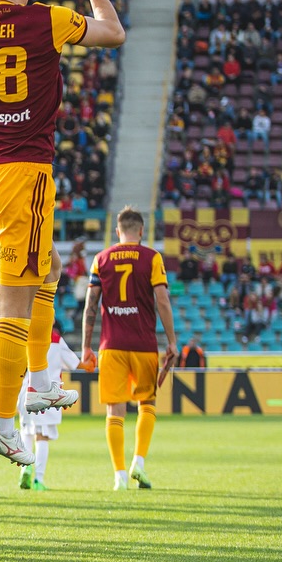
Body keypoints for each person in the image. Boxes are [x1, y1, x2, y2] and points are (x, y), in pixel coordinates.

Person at [0, 0, 126, 462]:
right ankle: (5, 423)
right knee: (14, 310)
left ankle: (42, 381)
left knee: (47, 267)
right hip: (22, 176)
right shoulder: (46, 20)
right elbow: (113, 32)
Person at [80, 208, 178, 491]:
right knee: (147, 404)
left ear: (117, 231)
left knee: (114, 411)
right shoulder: (152, 257)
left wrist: (86, 346)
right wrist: (171, 340)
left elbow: (90, 305)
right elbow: (162, 300)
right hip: (144, 344)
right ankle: (139, 462)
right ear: (142, 231)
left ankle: (119, 476)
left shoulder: (101, 259)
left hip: (111, 345)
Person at [19, 323, 80, 491]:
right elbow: (74, 363)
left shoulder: (25, 335)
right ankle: (38, 479)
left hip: (25, 390)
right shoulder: (55, 339)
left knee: (27, 432)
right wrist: (88, 364)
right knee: (42, 436)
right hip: (47, 392)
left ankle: (25, 468)